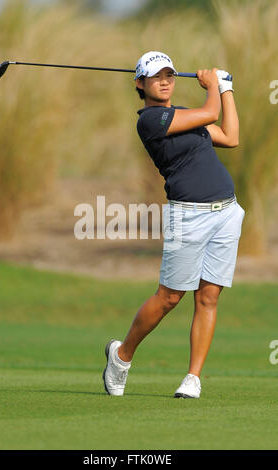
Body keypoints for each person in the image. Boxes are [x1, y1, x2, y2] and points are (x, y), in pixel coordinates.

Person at [102, 51, 245, 399]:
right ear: (140, 84)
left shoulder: (184, 115)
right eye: (156, 76)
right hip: (188, 216)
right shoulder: (150, 121)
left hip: (226, 211)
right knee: (169, 297)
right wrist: (213, 86)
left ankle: (192, 378)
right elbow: (211, 113)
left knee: (208, 297)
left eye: (169, 74)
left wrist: (226, 90)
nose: (165, 81)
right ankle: (121, 357)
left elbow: (229, 136)